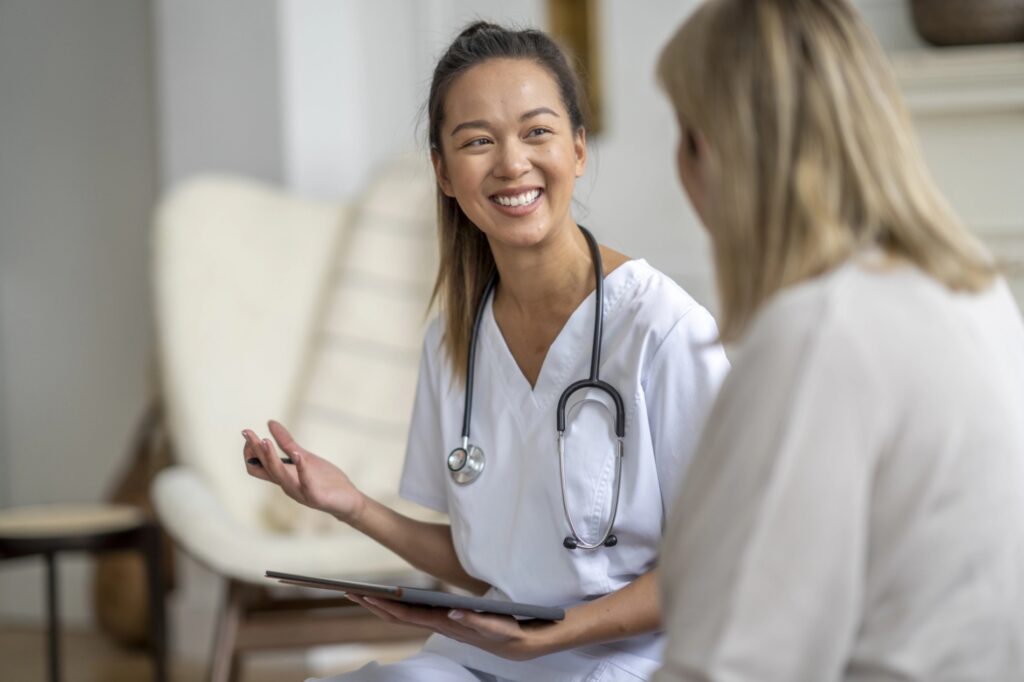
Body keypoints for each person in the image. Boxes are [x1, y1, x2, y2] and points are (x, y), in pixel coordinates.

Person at [242, 21, 729, 682]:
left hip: (634, 660)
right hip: (492, 658)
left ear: (578, 150)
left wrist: (556, 636)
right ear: (443, 172)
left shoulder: (662, 329)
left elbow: (722, 561)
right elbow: (487, 562)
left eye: (537, 132)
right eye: (478, 141)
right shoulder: (454, 338)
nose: (511, 163)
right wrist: (348, 503)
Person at [653, 1, 1024, 680]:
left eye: (686, 134)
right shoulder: (977, 291)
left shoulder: (821, 335)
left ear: (715, 151)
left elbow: (727, 665)